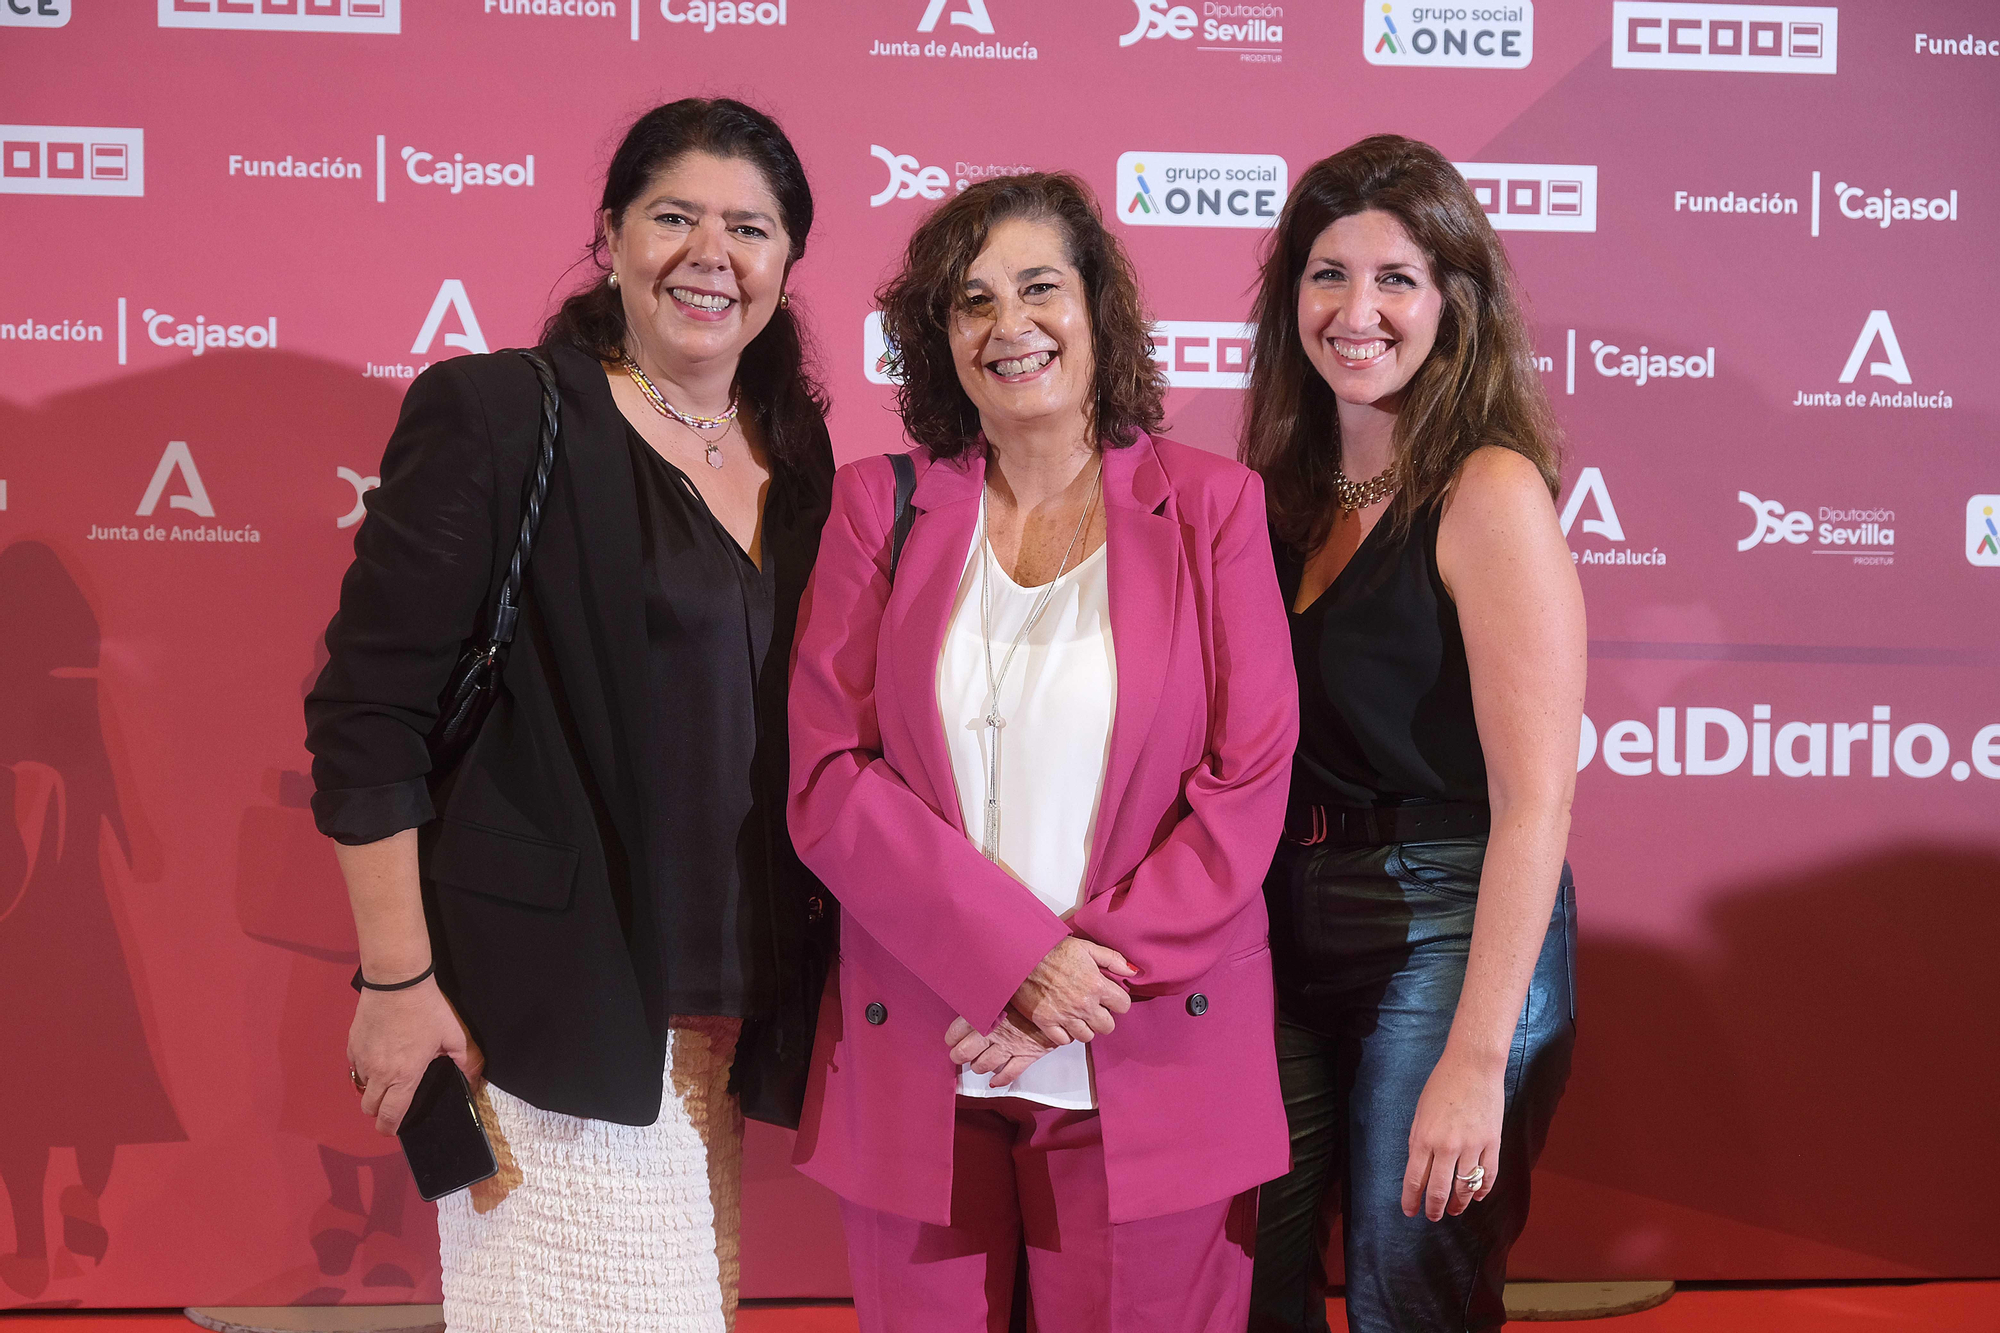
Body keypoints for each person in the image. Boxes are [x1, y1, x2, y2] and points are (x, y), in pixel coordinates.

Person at [303, 98, 833, 1333]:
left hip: (730, 1004)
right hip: (546, 1002)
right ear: (610, 232)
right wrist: (397, 981)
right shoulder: (503, 413)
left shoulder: (794, 449)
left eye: (749, 228)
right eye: (674, 216)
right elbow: (366, 713)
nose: (711, 254)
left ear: (787, 260)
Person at [785, 172, 1298, 1333]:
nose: (1007, 325)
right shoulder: (877, 506)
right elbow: (827, 779)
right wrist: (1012, 962)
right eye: (971, 302)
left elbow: (1245, 783)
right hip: (923, 1045)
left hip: (1147, 1046)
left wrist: (1062, 982)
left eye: (1036, 288)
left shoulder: (1212, 506)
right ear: (938, 338)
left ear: (1096, 308)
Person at [1240, 134, 1584, 1332]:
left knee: (1407, 1298)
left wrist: (1476, 1058)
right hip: (1276, 929)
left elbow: (1535, 802)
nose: (1356, 311)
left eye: (1395, 278)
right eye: (1327, 274)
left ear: (1452, 302)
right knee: (1246, 1287)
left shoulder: (1486, 490)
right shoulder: (1272, 493)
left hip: (1445, 926)